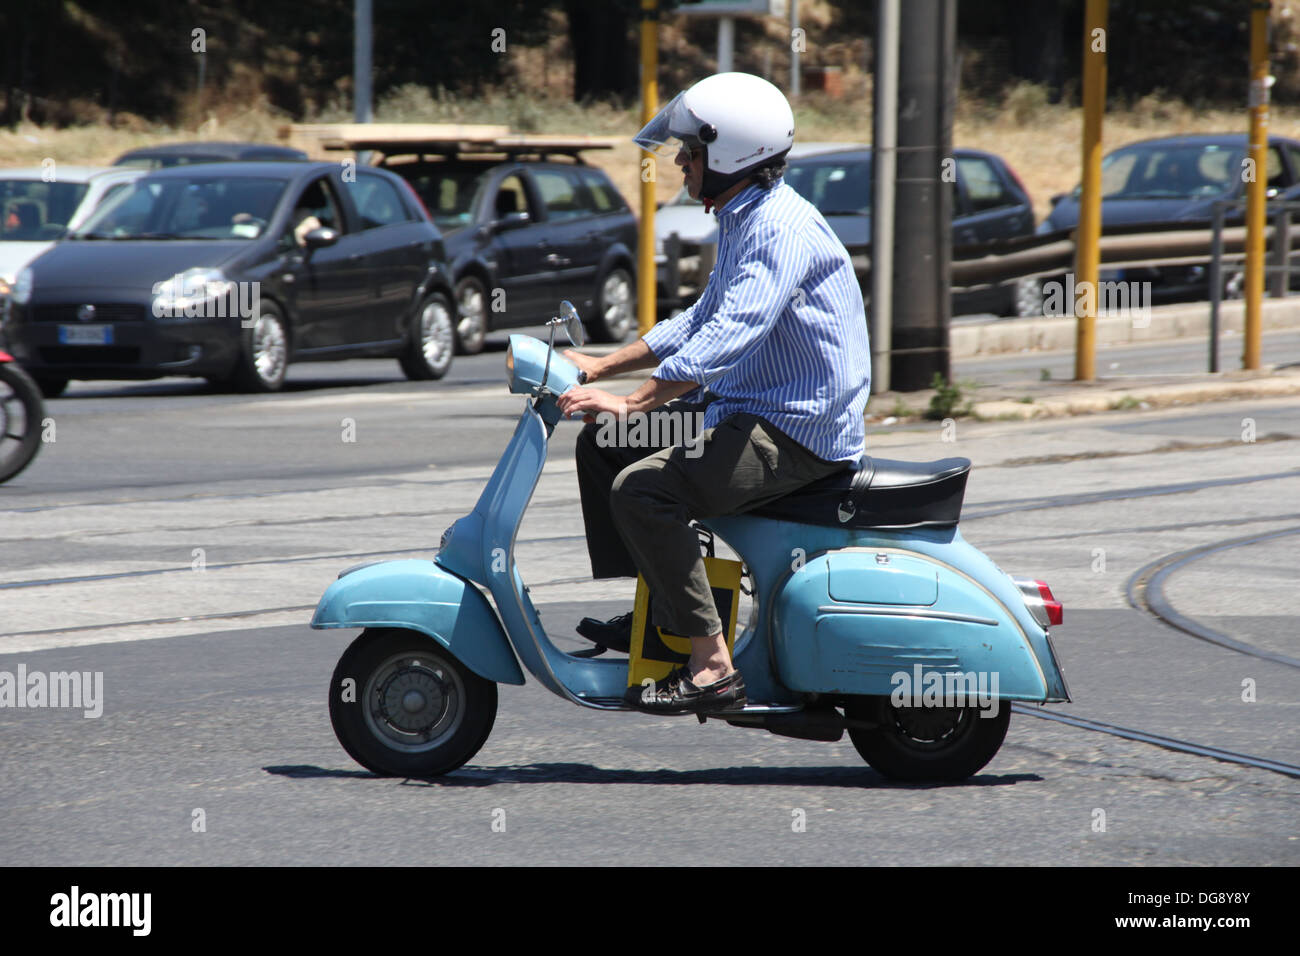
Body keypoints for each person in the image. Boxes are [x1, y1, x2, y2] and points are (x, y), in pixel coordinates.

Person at [556, 72, 872, 716]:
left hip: (794, 429)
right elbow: (698, 319)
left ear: (728, 156)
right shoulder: (744, 216)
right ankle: (663, 614)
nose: (679, 162)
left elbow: (730, 335)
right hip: (748, 407)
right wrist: (598, 369)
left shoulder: (777, 228)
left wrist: (636, 402)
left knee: (643, 489)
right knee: (605, 445)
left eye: (690, 153)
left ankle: (710, 664)